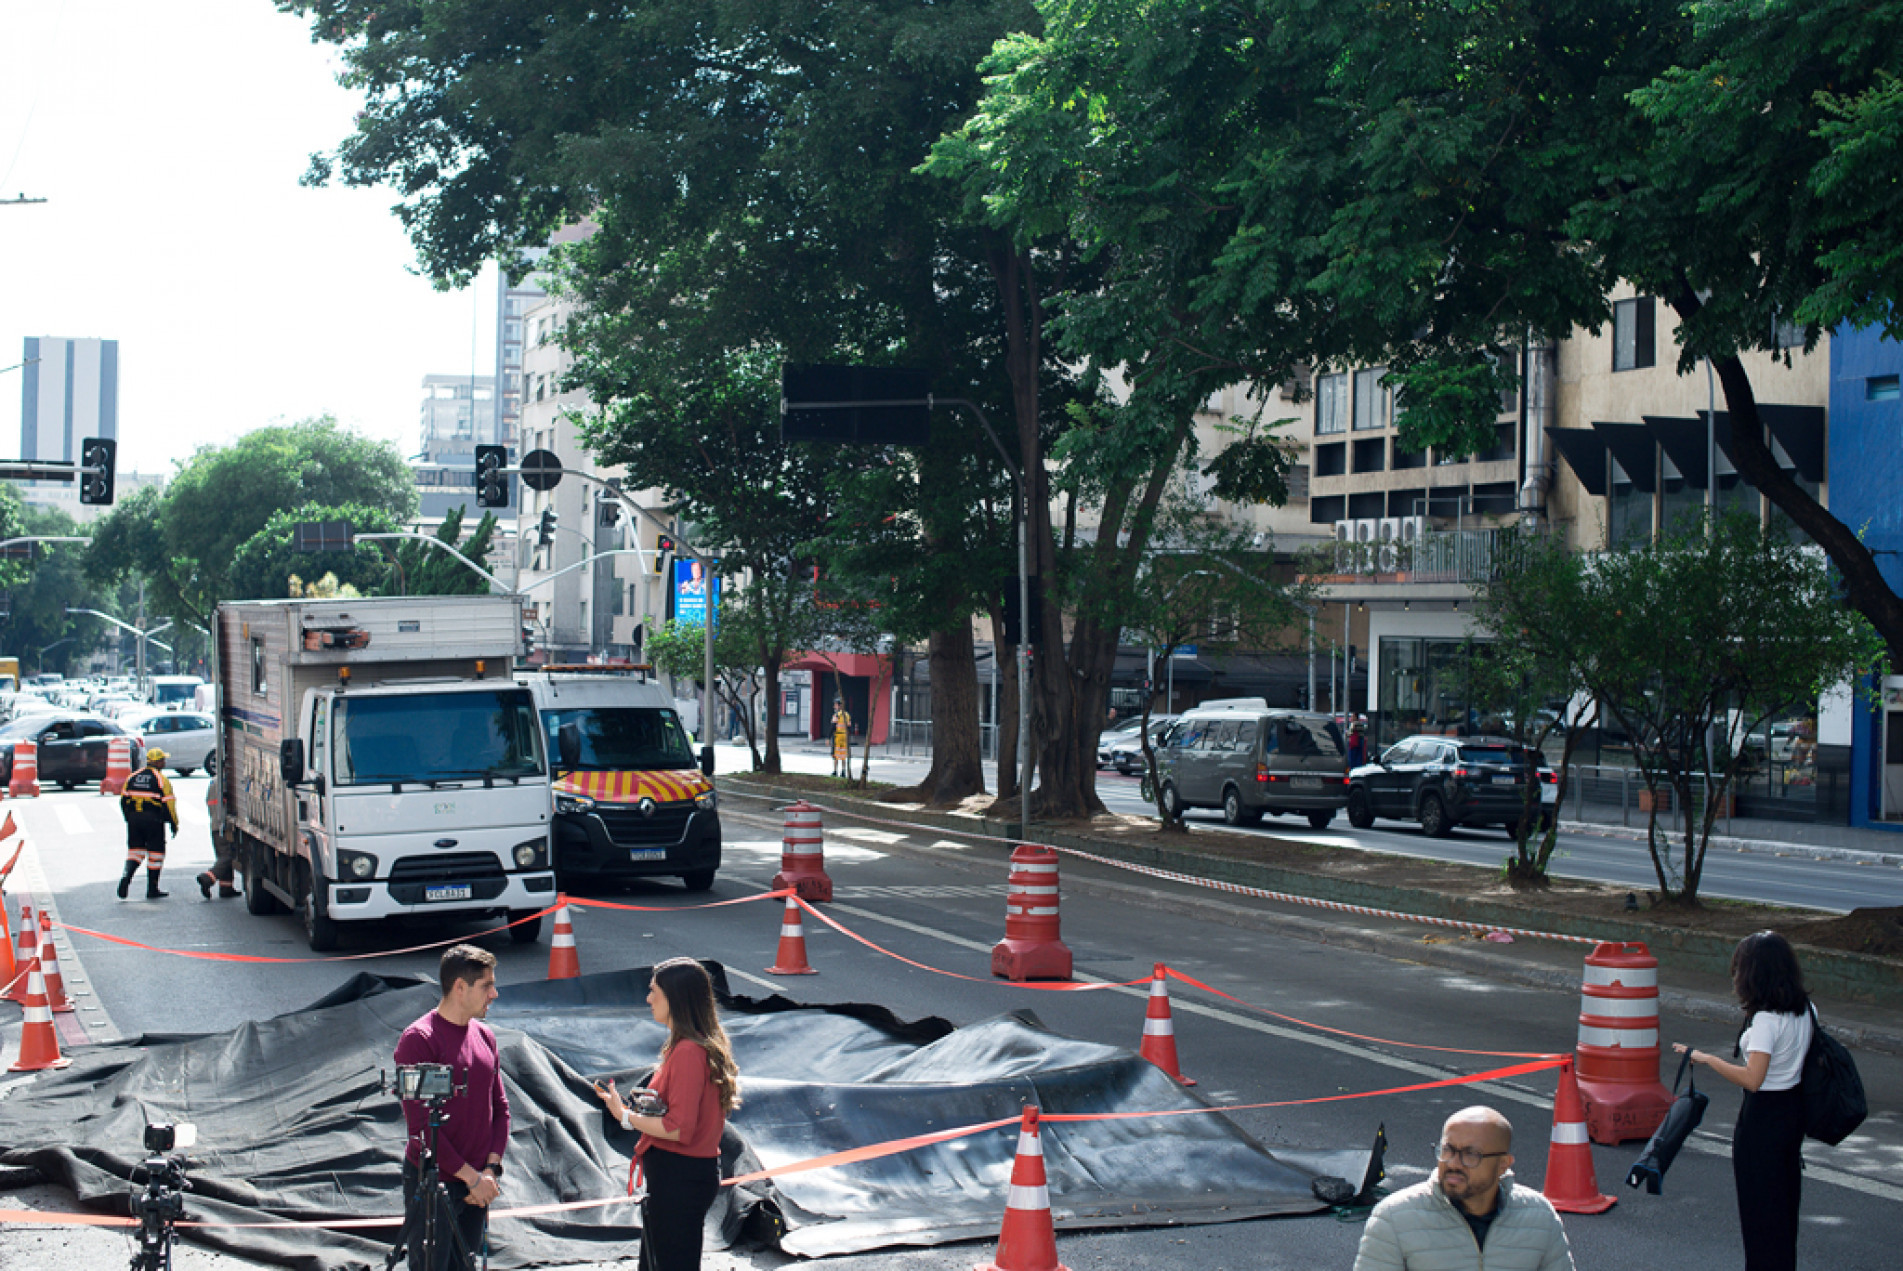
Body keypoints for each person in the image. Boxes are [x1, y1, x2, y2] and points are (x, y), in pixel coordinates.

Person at [1673, 931, 1813, 1271]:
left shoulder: (1766, 1021)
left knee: (1758, 1215)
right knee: (1783, 1213)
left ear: (1753, 974)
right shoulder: (1807, 1010)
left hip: (1761, 1121)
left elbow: (1753, 1079)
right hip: (1792, 1115)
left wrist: (1707, 1059)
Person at [595, 958, 742, 1271]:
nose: (648, 999)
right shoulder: (688, 1047)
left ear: (675, 998)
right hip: (679, 1176)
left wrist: (625, 1117)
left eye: (653, 992)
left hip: (680, 1177)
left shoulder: (688, 1052)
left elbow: (678, 1128)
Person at [394, 945, 510, 1271]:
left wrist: (490, 1172)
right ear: (460, 987)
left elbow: (500, 1109)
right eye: (487, 985)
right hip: (434, 1185)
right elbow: (420, 1129)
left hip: (476, 1186)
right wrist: (472, 1178)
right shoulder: (419, 1039)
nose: (494, 993)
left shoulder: (485, 1036)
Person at [1353, 1105, 1574, 1271]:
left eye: (1471, 1155)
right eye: (1447, 1150)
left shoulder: (1540, 1217)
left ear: (1502, 1165)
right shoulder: (1394, 1217)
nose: (1454, 1163)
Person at [117, 747, 178, 900]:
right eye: (163, 759)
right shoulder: (161, 779)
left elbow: (123, 800)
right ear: (158, 762)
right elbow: (169, 804)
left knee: (135, 851)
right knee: (156, 854)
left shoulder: (133, 777)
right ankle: (152, 889)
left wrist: (129, 818)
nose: (164, 762)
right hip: (153, 820)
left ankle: (126, 876)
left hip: (134, 819)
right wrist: (174, 824)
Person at [830, 698, 852, 778]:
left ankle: (835, 771)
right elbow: (849, 727)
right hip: (844, 737)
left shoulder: (836, 715)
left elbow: (833, 726)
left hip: (837, 737)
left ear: (839, 706)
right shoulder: (847, 715)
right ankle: (843, 771)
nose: (834, 707)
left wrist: (828, 738)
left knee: (835, 755)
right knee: (843, 755)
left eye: (835, 705)